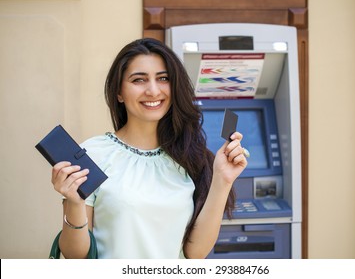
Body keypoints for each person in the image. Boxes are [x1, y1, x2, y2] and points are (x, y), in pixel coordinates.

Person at [51, 38, 247, 259]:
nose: (153, 91)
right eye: (139, 80)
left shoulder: (191, 157)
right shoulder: (92, 154)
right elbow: (75, 256)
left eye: (163, 78)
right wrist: (75, 203)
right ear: (119, 93)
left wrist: (223, 180)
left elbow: (195, 254)